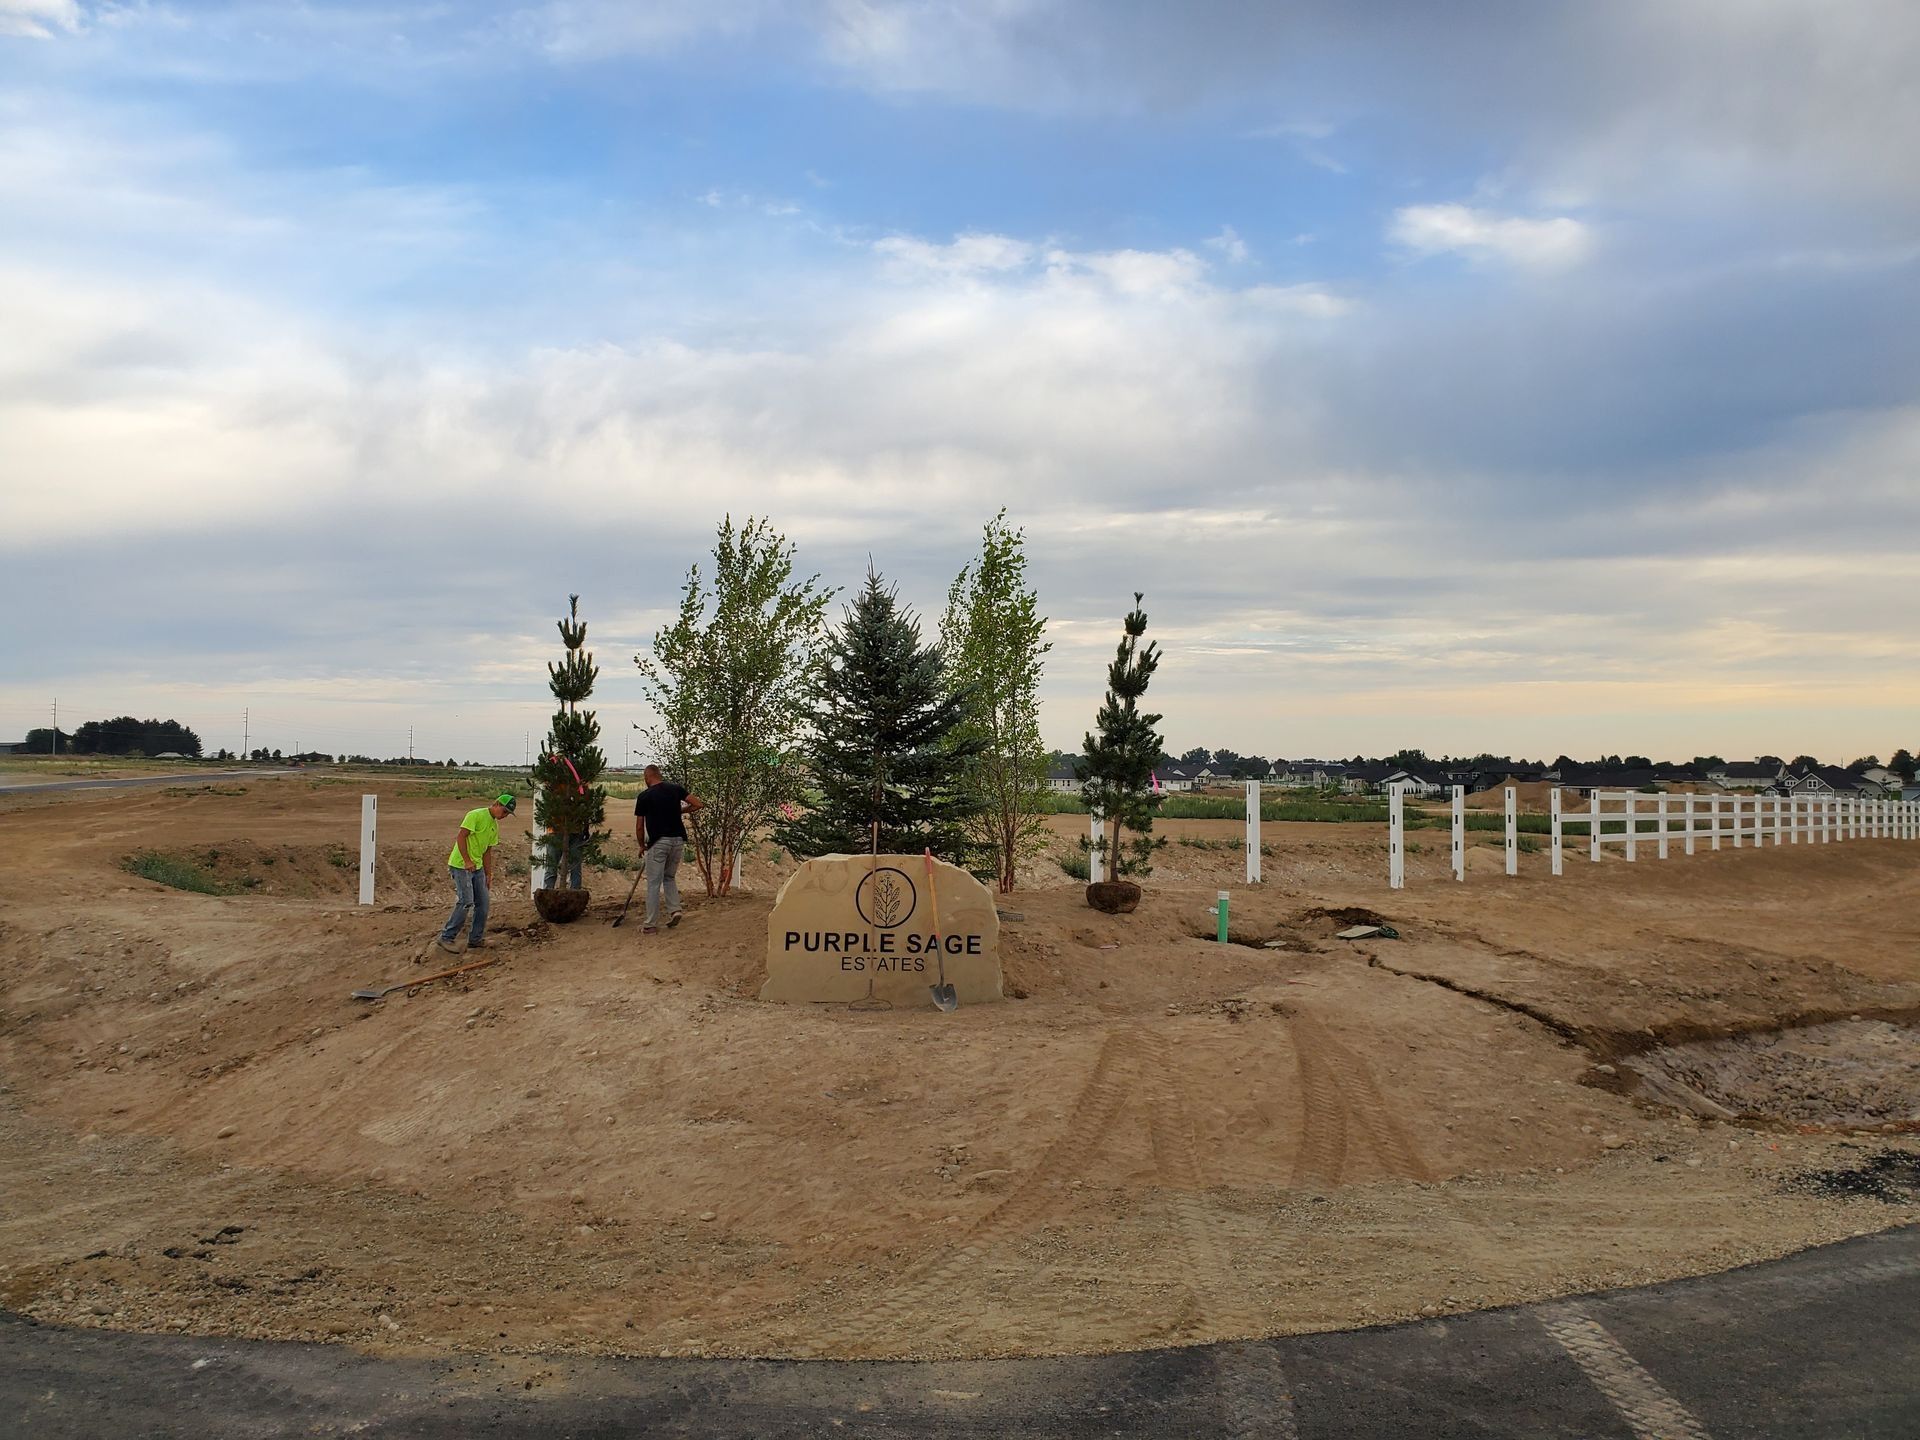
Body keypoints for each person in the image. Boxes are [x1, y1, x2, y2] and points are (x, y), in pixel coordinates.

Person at [438, 792, 515, 954]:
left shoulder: (494, 825)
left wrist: (489, 874)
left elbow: (488, 850)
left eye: (508, 813)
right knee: (466, 901)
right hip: (461, 865)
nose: (505, 815)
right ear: (497, 804)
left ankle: (476, 939)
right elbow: (461, 837)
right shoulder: (475, 815)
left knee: (483, 903)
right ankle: (447, 937)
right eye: (505, 811)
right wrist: (467, 860)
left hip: (478, 867)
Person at [634, 764, 703, 933]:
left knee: (653, 884)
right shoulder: (675, 789)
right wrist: (680, 811)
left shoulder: (645, 796)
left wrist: (642, 845)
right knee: (669, 877)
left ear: (647, 777)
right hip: (678, 841)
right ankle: (675, 910)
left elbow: (639, 827)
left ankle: (650, 924)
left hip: (658, 843)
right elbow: (698, 804)